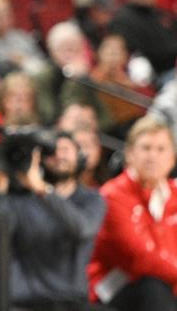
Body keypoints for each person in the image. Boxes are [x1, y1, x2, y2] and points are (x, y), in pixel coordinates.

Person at [0, 130, 107, 311]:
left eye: (66, 150)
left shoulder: (92, 199)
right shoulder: (21, 199)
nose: (59, 156)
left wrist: (43, 190)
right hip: (25, 302)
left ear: (80, 156)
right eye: (52, 151)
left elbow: (82, 229)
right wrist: (0, 186)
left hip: (71, 301)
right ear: (38, 160)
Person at [89, 116, 177, 310]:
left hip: (168, 281)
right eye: (146, 148)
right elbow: (140, 259)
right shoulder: (112, 195)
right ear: (129, 154)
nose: (152, 156)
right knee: (155, 288)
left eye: (161, 149)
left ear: (172, 158)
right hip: (115, 288)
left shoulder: (175, 194)